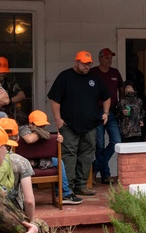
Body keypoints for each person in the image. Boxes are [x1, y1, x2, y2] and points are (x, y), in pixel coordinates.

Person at [47, 51, 112, 197]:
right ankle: (67, 187)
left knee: (87, 155)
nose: (87, 67)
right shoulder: (65, 77)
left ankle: (81, 185)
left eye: (89, 64)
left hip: (90, 125)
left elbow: (107, 96)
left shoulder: (94, 79)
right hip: (69, 125)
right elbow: (55, 100)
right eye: (84, 64)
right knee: (69, 155)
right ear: (76, 62)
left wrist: (106, 113)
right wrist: (57, 119)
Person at [19, 109, 81, 205]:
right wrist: (41, 133)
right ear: (30, 123)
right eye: (39, 125)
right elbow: (29, 139)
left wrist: (58, 139)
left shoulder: (42, 132)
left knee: (59, 162)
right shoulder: (24, 129)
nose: (42, 127)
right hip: (24, 162)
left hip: (41, 161)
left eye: (43, 125)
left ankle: (64, 193)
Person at [92, 47, 124, 184]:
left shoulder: (115, 72)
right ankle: (106, 174)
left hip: (112, 112)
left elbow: (121, 89)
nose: (109, 60)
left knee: (116, 141)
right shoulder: (93, 72)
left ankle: (94, 167)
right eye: (106, 57)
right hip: (97, 112)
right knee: (99, 144)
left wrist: (122, 105)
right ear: (100, 59)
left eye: (111, 57)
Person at [0, 57, 26, 122]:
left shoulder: (10, 83)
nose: (2, 74)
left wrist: (9, 100)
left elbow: (22, 95)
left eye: (4, 72)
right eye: (0, 72)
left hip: (7, 116)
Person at [126, 52, 146, 139]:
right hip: (129, 104)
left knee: (142, 126)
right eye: (132, 61)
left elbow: (142, 89)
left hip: (140, 102)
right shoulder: (125, 73)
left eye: (136, 61)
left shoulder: (140, 74)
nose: (135, 63)